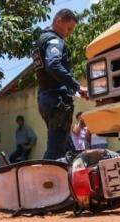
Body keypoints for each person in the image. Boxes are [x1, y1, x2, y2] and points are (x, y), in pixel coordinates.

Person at [34, 8, 88, 160]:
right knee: (56, 150)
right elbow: (54, 65)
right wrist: (77, 86)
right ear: (59, 21)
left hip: (45, 98)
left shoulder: (41, 40)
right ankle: (43, 181)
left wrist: (76, 91)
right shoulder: (54, 40)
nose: (69, 33)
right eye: (68, 28)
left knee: (66, 147)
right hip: (57, 101)